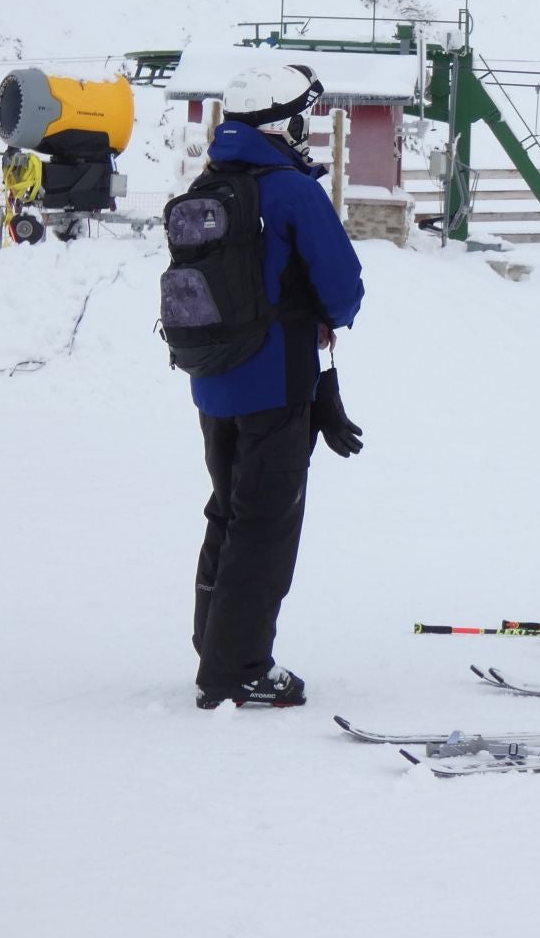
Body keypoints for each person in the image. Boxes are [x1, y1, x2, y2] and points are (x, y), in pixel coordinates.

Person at [177, 62, 364, 711]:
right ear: (284, 122)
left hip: (213, 379)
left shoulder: (211, 181)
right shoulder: (289, 190)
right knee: (266, 525)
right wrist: (319, 314)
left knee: (228, 511)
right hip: (277, 382)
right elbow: (343, 289)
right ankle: (238, 669)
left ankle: (217, 649)